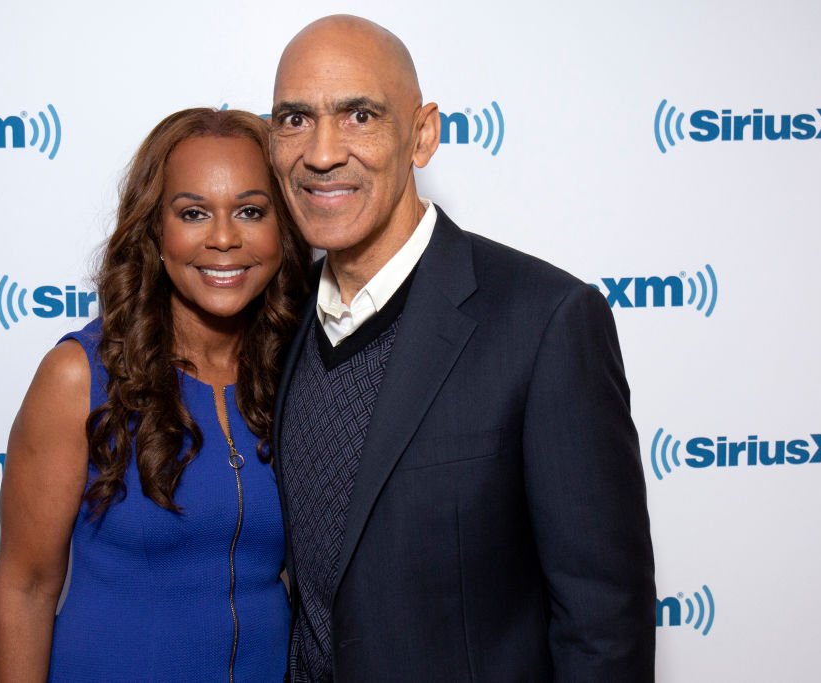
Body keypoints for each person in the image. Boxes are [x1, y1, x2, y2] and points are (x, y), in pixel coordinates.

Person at [269, 15, 656, 682]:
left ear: (423, 136)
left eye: (359, 115)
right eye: (295, 119)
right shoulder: (280, 319)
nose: (323, 151)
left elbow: (605, 623)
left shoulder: (544, 322)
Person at [0, 108, 309, 682]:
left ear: (282, 229)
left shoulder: (300, 372)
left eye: (250, 211)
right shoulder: (79, 376)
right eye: (192, 213)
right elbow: (26, 587)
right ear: (154, 232)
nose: (223, 238)